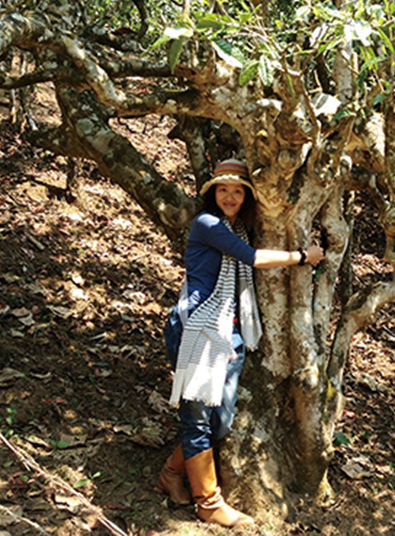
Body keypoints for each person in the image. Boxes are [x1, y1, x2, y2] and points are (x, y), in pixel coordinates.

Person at [155, 158, 323, 527]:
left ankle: (171, 472)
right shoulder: (208, 224)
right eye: (222, 189)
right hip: (197, 328)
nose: (229, 196)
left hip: (227, 333)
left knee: (221, 421)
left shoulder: (239, 230)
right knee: (197, 418)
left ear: (246, 196)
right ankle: (208, 502)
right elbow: (254, 259)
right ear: (212, 193)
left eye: (237, 191)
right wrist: (302, 257)